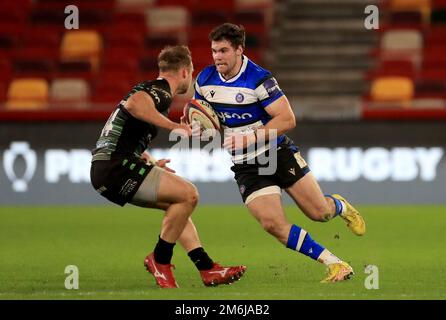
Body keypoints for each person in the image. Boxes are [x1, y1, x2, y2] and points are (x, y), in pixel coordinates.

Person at [194, 23, 366, 283]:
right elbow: (208, 120)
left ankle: (339, 205)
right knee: (272, 224)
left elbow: (287, 119)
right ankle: (335, 263)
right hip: (247, 165)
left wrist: (249, 137)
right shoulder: (204, 81)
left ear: (239, 49)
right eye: (214, 51)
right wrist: (199, 130)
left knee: (320, 213)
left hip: (276, 153)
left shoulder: (259, 79)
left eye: (223, 50)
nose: (217, 56)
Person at [90, 45, 246, 288]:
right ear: (184, 72)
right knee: (189, 195)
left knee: (178, 205)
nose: (191, 78)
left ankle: (207, 268)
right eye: (191, 72)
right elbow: (134, 105)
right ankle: (159, 260)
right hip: (115, 167)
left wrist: (147, 159)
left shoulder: (151, 89)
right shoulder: (160, 91)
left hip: (107, 168)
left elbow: (121, 131)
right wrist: (175, 127)